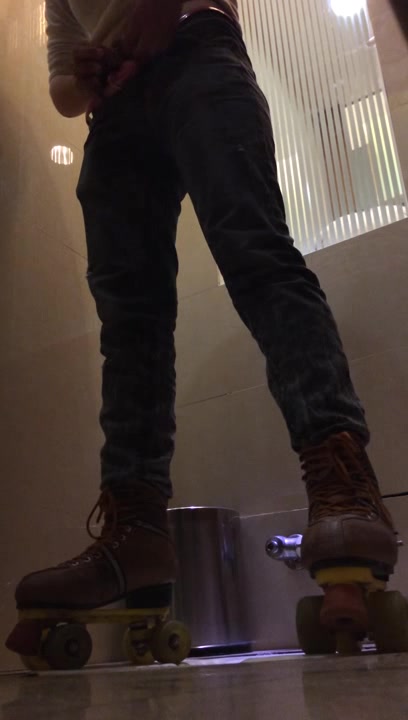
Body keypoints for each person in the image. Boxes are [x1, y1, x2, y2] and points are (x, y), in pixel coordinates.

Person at [7, 0, 397, 655]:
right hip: (115, 109)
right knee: (128, 325)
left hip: (198, 43)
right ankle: (135, 527)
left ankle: (343, 485)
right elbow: (63, 92)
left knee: (256, 254)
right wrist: (84, 73)